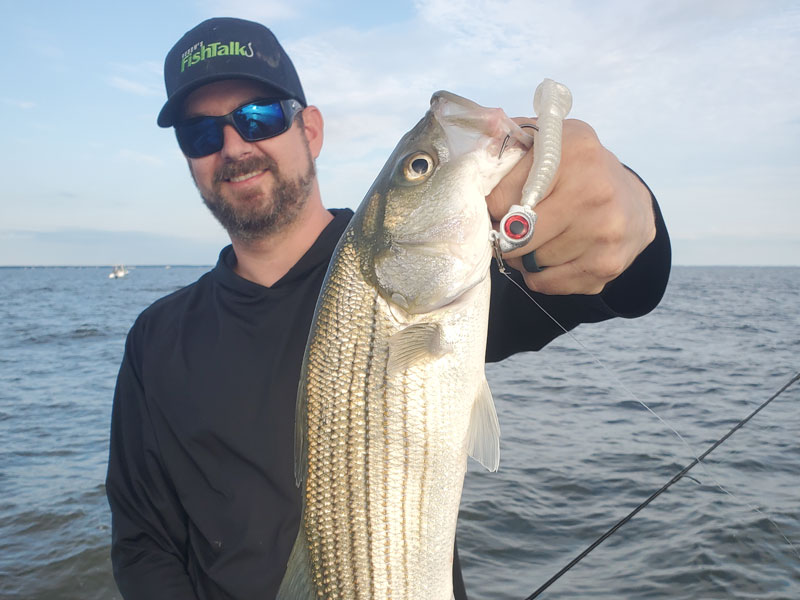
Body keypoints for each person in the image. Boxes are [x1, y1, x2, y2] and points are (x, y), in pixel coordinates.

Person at [105, 17, 671, 600]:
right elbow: (143, 541)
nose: (233, 146)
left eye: (259, 117)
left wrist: (631, 210)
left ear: (310, 129)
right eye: (200, 133)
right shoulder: (155, 339)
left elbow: (623, 284)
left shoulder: (442, 266)